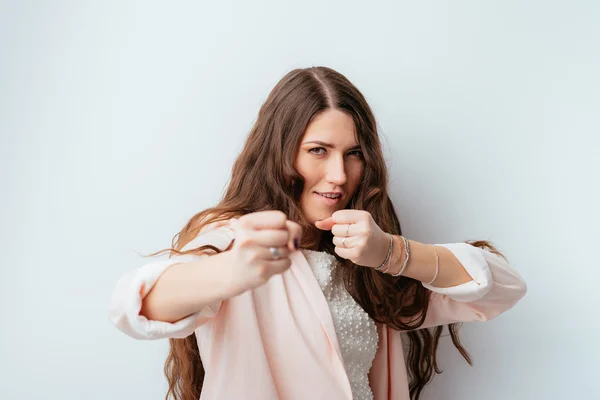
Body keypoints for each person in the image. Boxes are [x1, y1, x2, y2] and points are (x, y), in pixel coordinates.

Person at [109, 66, 527, 400]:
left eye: (353, 155)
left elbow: (503, 288)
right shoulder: (239, 241)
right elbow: (133, 307)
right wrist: (232, 271)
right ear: (280, 151)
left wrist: (391, 253)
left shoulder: (368, 264)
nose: (339, 175)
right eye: (318, 151)